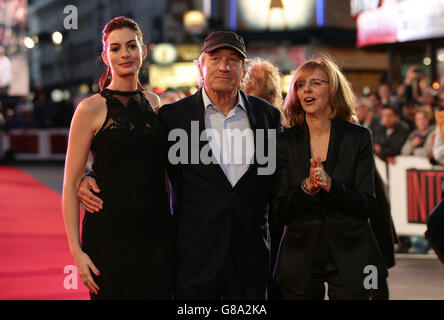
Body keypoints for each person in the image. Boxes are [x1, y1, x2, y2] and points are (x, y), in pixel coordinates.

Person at [78, 31, 283, 300]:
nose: (224, 66)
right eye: (216, 58)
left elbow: (279, 179)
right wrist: (90, 175)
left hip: (251, 259)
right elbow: (139, 155)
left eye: (233, 60)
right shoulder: (174, 118)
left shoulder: (268, 116)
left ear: (243, 69)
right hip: (195, 260)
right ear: (200, 66)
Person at [62, 16, 174, 300]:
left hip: (156, 237)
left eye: (131, 46)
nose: (125, 54)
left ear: (143, 51)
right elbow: (69, 185)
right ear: (105, 56)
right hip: (108, 239)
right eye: (115, 48)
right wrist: (76, 252)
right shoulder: (89, 109)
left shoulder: (155, 104)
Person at [272, 55, 387, 300]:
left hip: (351, 254)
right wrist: (306, 189)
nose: (307, 90)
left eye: (316, 83)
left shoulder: (358, 138)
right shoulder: (284, 143)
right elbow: (278, 211)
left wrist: (332, 186)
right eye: (300, 85)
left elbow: (368, 204)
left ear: (333, 89)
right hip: (299, 258)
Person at [244, 57, 288, 128]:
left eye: (258, 80)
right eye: (249, 76)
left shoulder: (270, 124)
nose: (251, 82)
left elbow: (266, 139)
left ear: (270, 98)